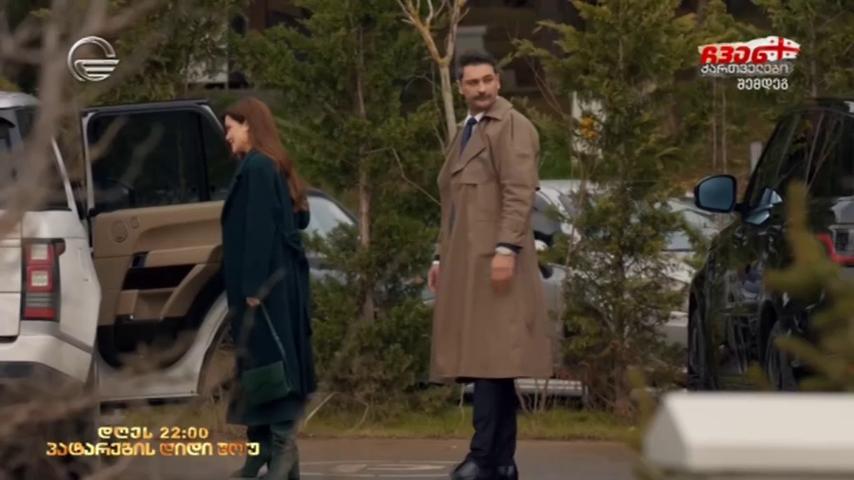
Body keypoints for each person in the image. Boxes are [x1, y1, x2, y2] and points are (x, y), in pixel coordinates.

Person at [428, 51, 553, 480]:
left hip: (497, 262)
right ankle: (500, 461)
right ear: (460, 87)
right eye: (472, 82)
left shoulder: (511, 126)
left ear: (498, 81)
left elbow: (520, 192)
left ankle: (485, 456)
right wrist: (440, 255)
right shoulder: (466, 130)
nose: (481, 89)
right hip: (467, 263)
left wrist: (506, 249)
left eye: (487, 80)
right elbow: (453, 204)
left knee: (491, 361)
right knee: (490, 365)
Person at [220, 96, 316, 480]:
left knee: (274, 366)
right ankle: (264, 452)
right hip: (276, 284)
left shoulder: (259, 167)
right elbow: (298, 217)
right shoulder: (268, 164)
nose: (227, 137)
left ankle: (280, 451)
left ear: (248, 125)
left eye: (230, 128)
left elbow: (259, 228)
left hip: (265, 289)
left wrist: (254, 287)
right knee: (262, 366)